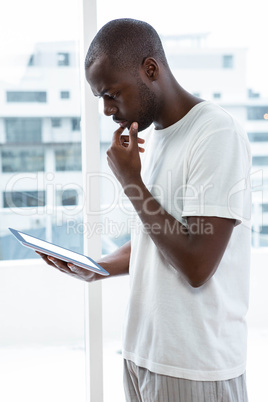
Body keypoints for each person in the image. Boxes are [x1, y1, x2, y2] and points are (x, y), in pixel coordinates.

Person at [38, 18, 252, 402]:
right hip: (142, 357)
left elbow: (197, 263)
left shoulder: (216, 132)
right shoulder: (154, 139)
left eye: (111, 94)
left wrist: (131, 182)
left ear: (150, 69)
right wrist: (99, 267)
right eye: (100, 98)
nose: (106, 110)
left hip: (194, 368)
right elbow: (155, 240)